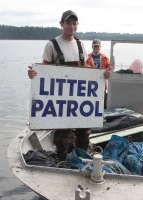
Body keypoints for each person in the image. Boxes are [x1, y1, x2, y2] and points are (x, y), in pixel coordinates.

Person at [27, 10, 111, 161]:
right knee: (62, 136)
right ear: (61, 24)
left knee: (84, 132)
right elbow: (44, 69)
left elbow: (85, 68)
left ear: (77, 25)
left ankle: (80, 161)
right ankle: (62, 163)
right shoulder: (51, 45)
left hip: (79, 99)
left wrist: (101, 75)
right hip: (60, 100)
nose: (71, 26)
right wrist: (33, 74)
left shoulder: (80, 45)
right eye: (68, 23)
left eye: (74, 23)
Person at [86, 39, 110, 108]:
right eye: (95, 46)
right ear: (92, 47)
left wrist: (108, 73)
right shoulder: (87, 57)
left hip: (102, 82)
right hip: (90, 83)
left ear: (100, 47)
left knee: (102, 102)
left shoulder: (105, 58)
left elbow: (109, 68)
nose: (96, 48)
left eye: (98, 46)